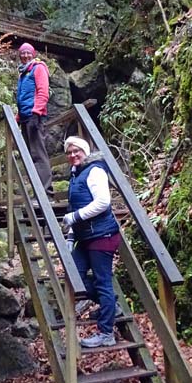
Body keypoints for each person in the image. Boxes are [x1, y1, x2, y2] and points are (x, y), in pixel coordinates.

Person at [62, 136, 121, 348]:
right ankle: (110, 305)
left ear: (85, 151)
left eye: (77, 151)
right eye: (69, 152)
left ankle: (106, 333)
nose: (73, 155)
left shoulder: (95, 170)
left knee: (103, 281)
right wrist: (71, 235)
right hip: (85, 237)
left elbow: (103, 202)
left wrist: (75, 217)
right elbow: (73, 206)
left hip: (102, 235)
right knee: (73, 277)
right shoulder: (76, 174)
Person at [16, 42, 53, 197]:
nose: (25, 55)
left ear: (33, 54)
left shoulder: (38, 68)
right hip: (25, 117)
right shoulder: (23, 73)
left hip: (34, 116)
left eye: (28, 53)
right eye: (22, 53)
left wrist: (36, 111)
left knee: (38, 154)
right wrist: (18, 116)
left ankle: (46, 193)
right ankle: (38, 192)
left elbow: (43, 91)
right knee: (31, 155)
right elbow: (23, 97)